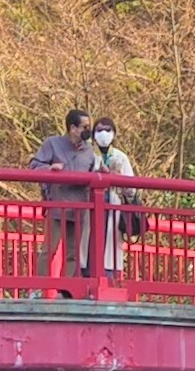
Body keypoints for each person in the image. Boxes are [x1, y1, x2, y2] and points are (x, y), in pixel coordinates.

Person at [31, 111, 94, 288]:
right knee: (49, 249)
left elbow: (94, 171)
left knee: (73, 253)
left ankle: (66, 290)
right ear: (73, 128)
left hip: (79, 207)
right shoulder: (53, 144)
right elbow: (34, 166)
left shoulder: (89, 151)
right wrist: (50, 169)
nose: (87, 130)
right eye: (84, 127)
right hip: (57, 206)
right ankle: (39, 288)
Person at [87, 115, 140, 283]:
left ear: (114, 134)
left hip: (113, 207)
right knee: (87, 246)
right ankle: (85, 277)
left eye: (107, 130)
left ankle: (109, 280)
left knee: (110, 248)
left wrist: (116, 177)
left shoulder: (120, 157)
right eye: (99, 130)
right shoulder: (86, 154)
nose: (103, 134)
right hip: (88, 207)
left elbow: (132, 189)